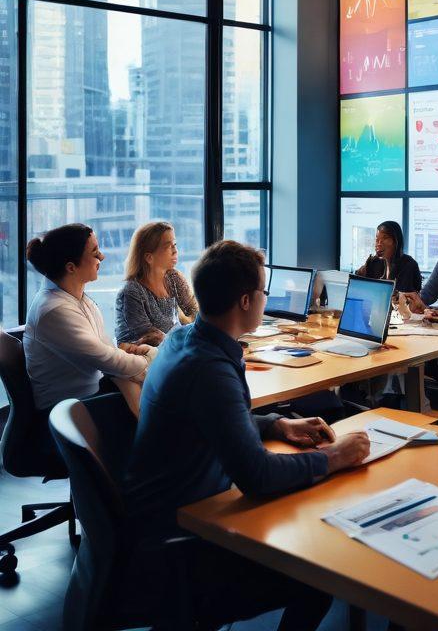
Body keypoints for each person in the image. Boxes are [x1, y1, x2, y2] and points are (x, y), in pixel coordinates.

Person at [124, 240, 370, 631]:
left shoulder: (185, 340)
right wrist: (336, 457)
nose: (265, 298)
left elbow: (208, 419)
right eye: (263, 291)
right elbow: (257, 477)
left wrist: (276, 425)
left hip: (170, 511)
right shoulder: (210, 369)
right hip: (184, 544)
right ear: (244, 301)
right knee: (320, 569)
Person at [24, 224, 154, 416]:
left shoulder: (78, 299)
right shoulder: (55, 310)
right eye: (95, 252)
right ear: (71, 267)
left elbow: (107, 351)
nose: (102, 256)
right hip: (67, 409)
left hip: (89, 395)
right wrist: (153, 358)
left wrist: (137, 356)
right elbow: (108, 360)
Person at [115, 221, 198, 346]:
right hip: (142, 360)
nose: (175, 251)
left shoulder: (174, 278)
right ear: (149, 258)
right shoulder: (132, 292)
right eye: (168, 246)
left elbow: (196, 313)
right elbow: (152, 340)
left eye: (175, 244)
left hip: (173, 352)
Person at [354, 219, 422, 291]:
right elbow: (356, 279)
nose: (379, 244)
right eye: (377, 239)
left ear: (396, 242)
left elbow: (403, 295)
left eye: (385, 238)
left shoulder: (408, 265)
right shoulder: (373, 262)